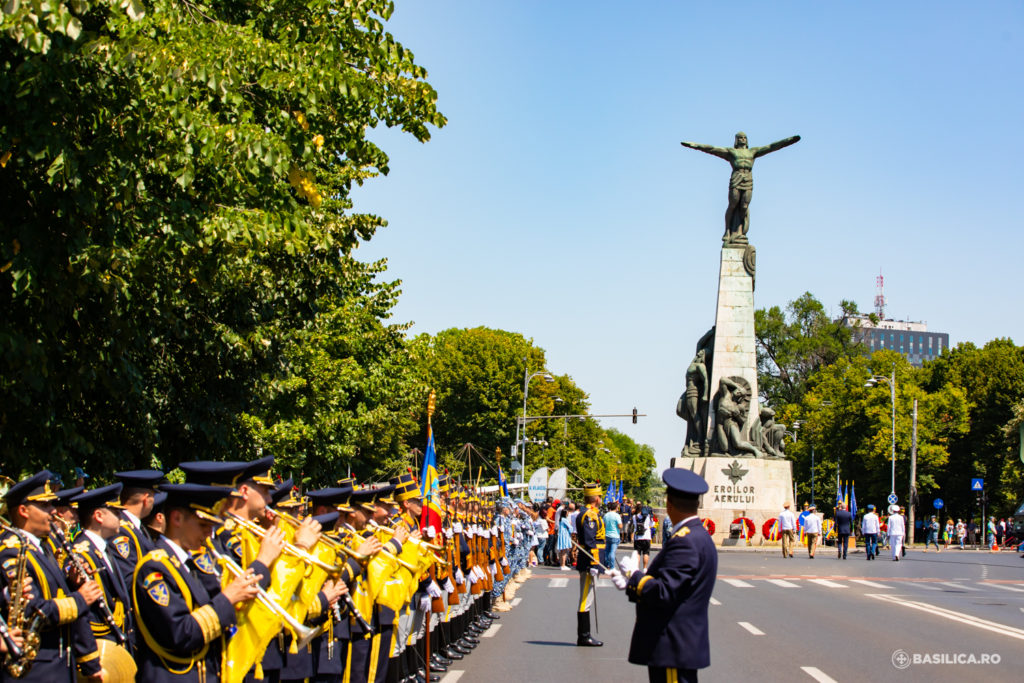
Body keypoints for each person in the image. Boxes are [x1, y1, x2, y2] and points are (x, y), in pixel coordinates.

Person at [608, 468, 717, 683]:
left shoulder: (685, 542)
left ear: (669, 504)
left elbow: (664, 592)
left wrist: (635, 576)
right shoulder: (697, 535)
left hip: (672, 642)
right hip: (680, 643)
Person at [0, 470, 104, 682]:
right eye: (45, 506)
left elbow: (51, 595)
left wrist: (71, 582)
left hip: (57, 667)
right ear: (23, 510)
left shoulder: (42, 548)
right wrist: (80, 599)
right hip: (35, 669)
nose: (53, 511)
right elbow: (32, 609)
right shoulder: (11, 550)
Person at [574, 483, 604, 647]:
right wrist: (593, 563)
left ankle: (585, 635)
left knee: (587, 598)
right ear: (596, 498)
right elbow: (590, 541)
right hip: (590, 562)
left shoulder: (588, 513)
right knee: (586, 599)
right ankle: (584, 636)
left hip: (592, 561)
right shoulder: (590, 516)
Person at [633, 504, 654, 571]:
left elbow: (634, 525)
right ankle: (645, 568)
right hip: (646, 536)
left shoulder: (634, 516)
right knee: (646, 553)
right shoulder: (648, 516)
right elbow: (652, 524)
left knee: (638, 553)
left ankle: (636, 568)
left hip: (637, 537)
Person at [556, 506, 572, 571]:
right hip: (565, 535)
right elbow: (570, 528)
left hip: (561, 535)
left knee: (561, 551)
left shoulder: (560, 519)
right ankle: (563, 565)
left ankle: (561, 564)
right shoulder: (565, 520)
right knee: (564, 551)